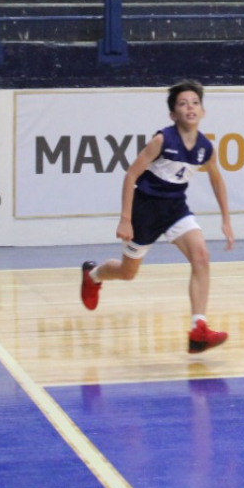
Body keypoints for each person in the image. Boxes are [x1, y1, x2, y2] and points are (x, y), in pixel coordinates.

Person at [79, 80, 235, 354]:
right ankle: (93, 275)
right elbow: (131, 175)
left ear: (203, 111)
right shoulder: (162, 140)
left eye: (195, 103)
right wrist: (125, 219)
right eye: (183, 104)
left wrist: (226, 220)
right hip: (146, 209)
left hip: (175, 209)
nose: (190, 107)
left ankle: (198, 330)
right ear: (173, 114)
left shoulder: (205, 147)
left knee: (201, 256)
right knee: (128, 272)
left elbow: (217, 180)